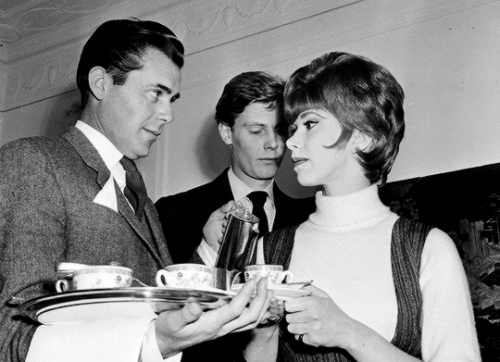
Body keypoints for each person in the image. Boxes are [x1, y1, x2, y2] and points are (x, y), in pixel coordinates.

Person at [0, 19, 275, 362]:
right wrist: (153, 343)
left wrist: (208, 251)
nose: (167, 114)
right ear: (101, 83)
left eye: (171, 98)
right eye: (155, 93)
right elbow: (11, 336)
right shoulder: (34, 161)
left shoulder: (134, 186)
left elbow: (156, 305)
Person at [245, 52, 481, 361]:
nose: (290, 142)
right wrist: (261, 333)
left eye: (310, 124)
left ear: (365, 137)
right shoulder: (269, 250)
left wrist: (349, 332)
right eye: (293, 127)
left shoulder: (427, 249)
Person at [155, 71, 315, 265]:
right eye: (256, 131)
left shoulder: (310, 215)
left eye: (280, 130)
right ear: (226, 133)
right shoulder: (175, 213)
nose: (272, 143)